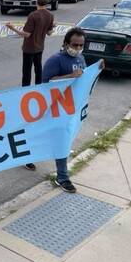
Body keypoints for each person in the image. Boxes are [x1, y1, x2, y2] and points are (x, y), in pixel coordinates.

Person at [42, 28, 102, 193]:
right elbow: (45, 84)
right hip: (55, 110)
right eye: (74, 45)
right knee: (57, 139)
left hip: (71, 110)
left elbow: (83, 80)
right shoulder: (55, 60)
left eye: (81, 45)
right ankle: (62, 176)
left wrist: (96, 70)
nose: (78, 48)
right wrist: (70, 76)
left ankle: (62, 175)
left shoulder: (81, 58)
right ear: (65, 44)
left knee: (63, 140)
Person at [5, 0, 54, 170]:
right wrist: (51, 26)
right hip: (40, 46)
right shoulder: (50, 15)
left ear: (36, 2)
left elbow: (26, 34)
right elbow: (50, 32)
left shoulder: (33, 15)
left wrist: (12, 27)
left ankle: (26, 90)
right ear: (46, 2)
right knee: (38, 68)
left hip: (29, 47)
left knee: (26, 71)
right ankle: (39, 88)